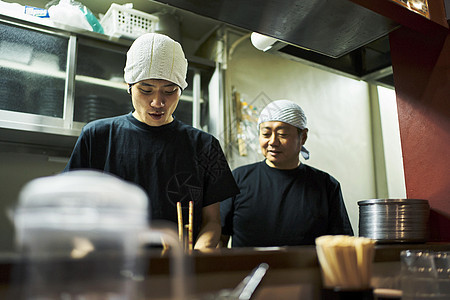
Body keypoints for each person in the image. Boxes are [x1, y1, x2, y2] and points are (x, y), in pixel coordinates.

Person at [64, 33, 239, 249]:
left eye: (170, 91)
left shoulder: (205, 145)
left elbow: (212, 222)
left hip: (177, 269)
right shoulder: (97, 136)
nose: (158, 102)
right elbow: (71, 210)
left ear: (181, 89)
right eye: (146, 90)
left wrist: (198, 255)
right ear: (129, 85)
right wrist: (86, 250)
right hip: (110, 265)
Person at [220, 99, 353, 247]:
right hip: (246, 270)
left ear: (303, 137)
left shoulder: (326, 185)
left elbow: (342, 245)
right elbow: (219, 239)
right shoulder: (237, 179)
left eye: (282, 134)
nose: (273, 142)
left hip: (307, 270)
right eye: (266, 134)